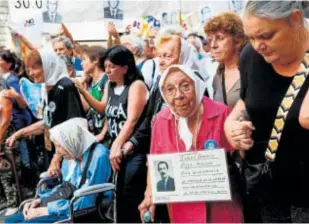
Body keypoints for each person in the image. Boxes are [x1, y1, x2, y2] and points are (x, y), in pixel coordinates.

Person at [224, 1, 309, 222]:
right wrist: (232, 125)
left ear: (296, 19)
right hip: (269, 188)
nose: (258, 45)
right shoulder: (251, 57)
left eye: (267, 36)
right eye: (251, 37)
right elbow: (245, 101)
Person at [138, 64, 243, 223]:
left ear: (198, 86)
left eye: (186, 86)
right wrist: (149, 196)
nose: (178, 95)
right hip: (181, 210)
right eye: (170, 89)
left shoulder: (221, 113)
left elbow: (240, 155)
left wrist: (243, 140)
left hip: (222, 208)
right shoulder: (161, 120)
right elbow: (155, 163)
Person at [74, 45, 148, 223]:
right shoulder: (110, 84)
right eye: (105, 66)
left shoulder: (136, 86)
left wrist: (117, 144)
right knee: (118, 194)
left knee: (130, 193)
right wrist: (83, 90)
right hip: (117, 148)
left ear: (125, 67)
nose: (107, 70)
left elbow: (132, 120)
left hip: (133, 149)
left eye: (112, 67)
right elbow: (103, 109)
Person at [5, 118, 111, 223]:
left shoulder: (99, 156)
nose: (58, 152)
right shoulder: (72, 154)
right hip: (65, 204)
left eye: (60, 146)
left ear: (72, 141)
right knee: (11, 221)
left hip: (81, 210)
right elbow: (65, 188)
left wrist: (47, 209)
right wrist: (41, 201)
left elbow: (88, 200)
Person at [6, 50, 85, 181]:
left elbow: (73, 124)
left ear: (48, 65)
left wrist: (57, 158)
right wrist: (19, 133)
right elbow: (48, 122)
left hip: (68, 154)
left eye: (34, 68)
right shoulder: (47, 88)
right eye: (28, 69)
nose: (30, 73)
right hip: (53, 149)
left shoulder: (65, 86)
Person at [205, 12, 248, 108]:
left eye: (220, 38)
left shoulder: (251, 68)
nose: (213, 45)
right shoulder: (218, 74)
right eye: (210, 39)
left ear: (237, 39)